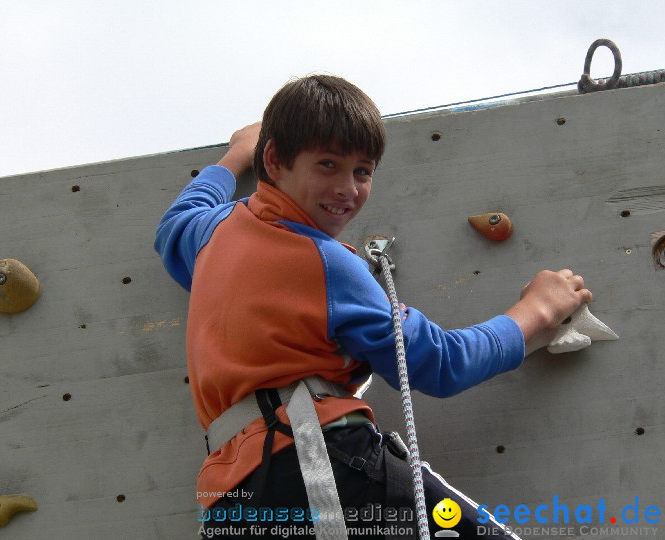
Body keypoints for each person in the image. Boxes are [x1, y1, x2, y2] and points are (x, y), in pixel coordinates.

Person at [154, 75, 592, 539]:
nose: (347, 188)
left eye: (362, 172)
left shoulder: (216, 232)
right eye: (328, 165)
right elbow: (438, 362)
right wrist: (537, 311)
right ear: (275, 160)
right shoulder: (326, 264)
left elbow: (174, 225)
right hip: (314, 464)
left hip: (229, 499)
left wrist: (234, 156)